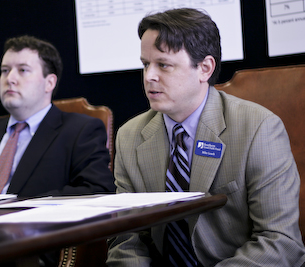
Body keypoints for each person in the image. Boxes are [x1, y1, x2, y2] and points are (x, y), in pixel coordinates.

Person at [107, 8, 305, 267]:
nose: (149, 76)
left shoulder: (258, 128)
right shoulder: (129, 136)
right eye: (146, 64)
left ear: (204, 68)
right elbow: (126, 239)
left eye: (163, 64)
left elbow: (280, 241)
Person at [0, 35, 115, 198]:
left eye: (23, 70)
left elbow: (97, 191)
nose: (10, 79)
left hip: (37, 230)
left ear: (49, 82)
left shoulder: (80, 132)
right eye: (5, 70)